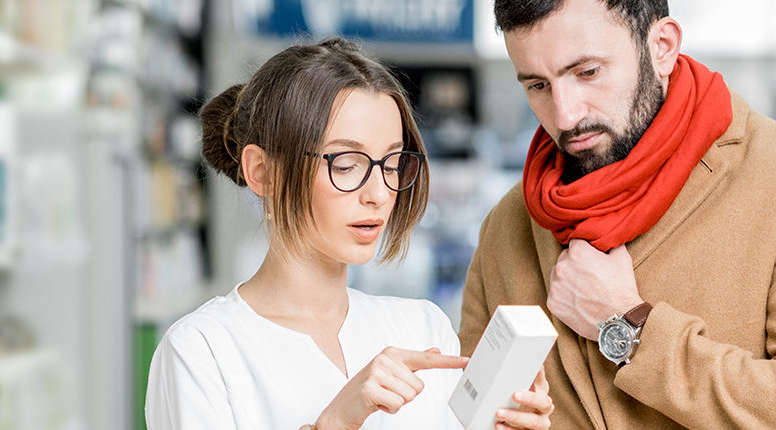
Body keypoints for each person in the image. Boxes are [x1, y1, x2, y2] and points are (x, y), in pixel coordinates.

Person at [459, 0, 776, 428]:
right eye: (537, 86)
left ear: (662, 46)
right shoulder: (508, 223)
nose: (566, 115)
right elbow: (467, 414)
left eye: (587, 73)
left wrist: (627, 326)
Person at [144, 38, 555, 430]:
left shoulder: (423, 331)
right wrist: (333, 423)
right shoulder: (202, 350)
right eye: (345, 164)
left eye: (392, 163)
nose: (379, 194)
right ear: (262, 172)